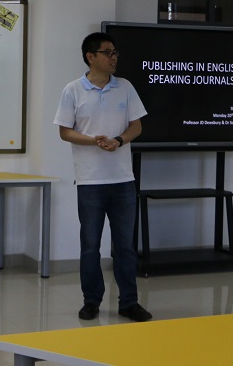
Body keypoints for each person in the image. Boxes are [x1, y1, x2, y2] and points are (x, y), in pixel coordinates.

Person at [53, 32, 152, 322]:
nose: (114, 57)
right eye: (107, 52)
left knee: (125, 247)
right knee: (90, 247)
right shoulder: (73, 90)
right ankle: (91, 301)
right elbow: (64, 131)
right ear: (90, 57)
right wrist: (93, 141)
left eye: (115, 52)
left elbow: (137, 126)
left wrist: (118, 141)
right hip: (90, 182)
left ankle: (129, 302)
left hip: (123, 180)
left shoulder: (125, 87)